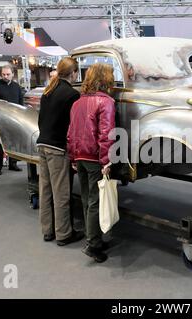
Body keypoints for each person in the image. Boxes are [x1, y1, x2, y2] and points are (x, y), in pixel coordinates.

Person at [67, 63, 116, 263]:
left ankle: (93, 238)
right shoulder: (106, 102)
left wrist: (72, 157)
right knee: (96, 201)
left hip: (80, 156)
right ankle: (93, 244)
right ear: (106, 79)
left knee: (88, 199)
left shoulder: (77, 102)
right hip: (95, 158)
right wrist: (107, 159)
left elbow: (70, 133)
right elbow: (107, 134)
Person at [36, 57, 84, 246]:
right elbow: (73, 127)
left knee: (45, 190)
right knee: (61, 192)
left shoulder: (48, 91)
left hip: (43, 144)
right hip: (57, 147)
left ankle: (48, 230)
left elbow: (41, 120)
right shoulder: (72, 94)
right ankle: (64, 233)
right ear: (73, 73)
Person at [0, 64, 24, 175]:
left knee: (13, 142)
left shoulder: (17, 87)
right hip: (0, 118)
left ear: (13, 74)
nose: (5, 76)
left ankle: (13, 164)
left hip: (14, 118)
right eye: (3, 74)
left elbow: (20, 103)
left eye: (8, 74)